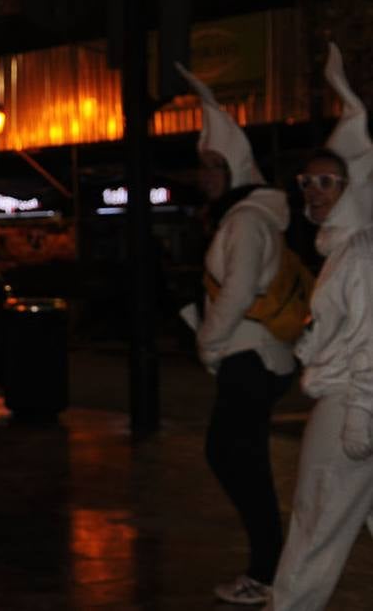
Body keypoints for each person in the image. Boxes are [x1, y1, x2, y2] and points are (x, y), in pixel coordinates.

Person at [177, 62, 296, 606]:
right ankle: (272, 564)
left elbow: (239, 291)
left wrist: (209, 344)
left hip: (249, 357)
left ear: (236, 169)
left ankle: (271, 568)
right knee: (237, 458)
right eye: (201, 166)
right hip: (248, 356)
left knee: (234, 456)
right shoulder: (239, 216)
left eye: (213, 166)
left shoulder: (245, 220)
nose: (203, 175)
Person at [269, 44, 373, 609]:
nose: (313, 190)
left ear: (353, 187)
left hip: (350, 406)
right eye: (308, 181)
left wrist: (360, 413)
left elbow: (372, 344)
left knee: (315, 524)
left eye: (328, 182)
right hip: (355, 401)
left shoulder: (359, 253)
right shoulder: (345, 251)